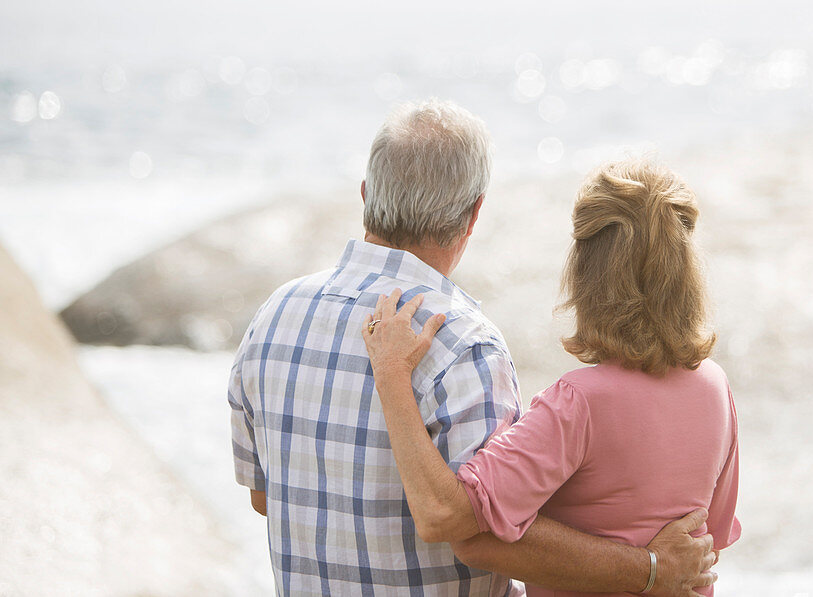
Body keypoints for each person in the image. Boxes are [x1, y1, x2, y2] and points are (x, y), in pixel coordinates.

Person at [228, 100, 718, 596]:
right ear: (474, 213)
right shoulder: (464, 344)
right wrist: (650, 569)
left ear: (365, 194)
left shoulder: (273, 316)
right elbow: (482, 532)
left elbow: (265, 497)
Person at [362, 158, 740, 597]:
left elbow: (451, 518)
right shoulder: (716, 387)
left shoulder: (579, 402)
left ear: (587, 271)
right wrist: (652, 568)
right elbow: (707, 547)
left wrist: (391, 374)